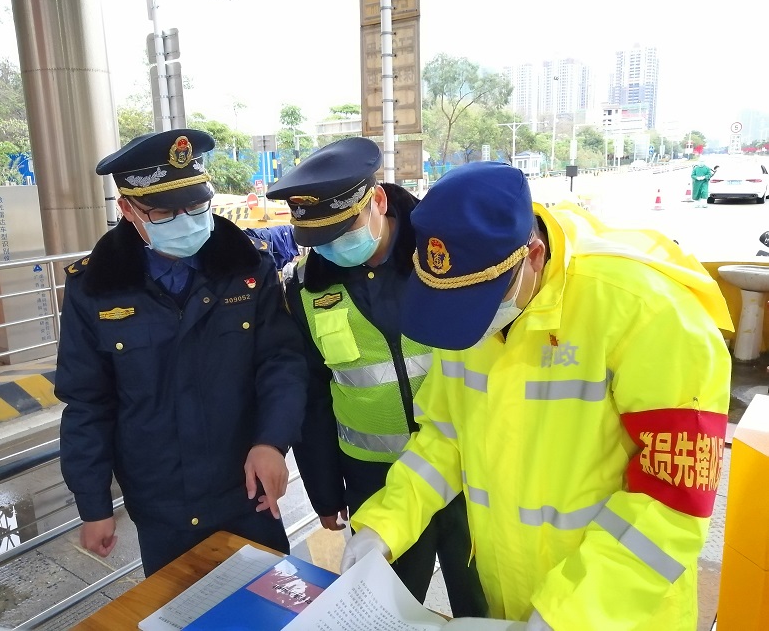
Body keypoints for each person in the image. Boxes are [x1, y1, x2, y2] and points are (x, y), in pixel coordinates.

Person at [342, 162, 733, 630]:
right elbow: (444, 437)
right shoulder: (465, 307)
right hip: (512, 602)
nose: (473, 325)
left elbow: (672, 499)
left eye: (480, 304)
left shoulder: (646, 311)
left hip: (618, 611)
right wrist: (383, 527)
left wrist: (568, 615)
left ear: (532, 255)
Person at [55, 129, 308, 576]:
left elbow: (281, 362)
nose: (186, 220)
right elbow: (87, 402)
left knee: (268, 600)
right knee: (177, 606)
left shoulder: (248, 266)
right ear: (128, 210)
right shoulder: (95, 288)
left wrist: (272, 441)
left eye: (195, 206)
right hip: (161, 503)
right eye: (165, 212)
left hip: (246, 487)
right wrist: (93, 504)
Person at [268, 138, 487, 617]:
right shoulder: (306, 287)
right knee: (384, 610)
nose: (332, 248)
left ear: (378, 202)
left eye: (342, 230)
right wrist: (325, 491)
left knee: (482, 602)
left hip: (467, 467)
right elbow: (314, 396)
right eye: (319, 239)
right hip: (375, 479)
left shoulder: (442, 262)